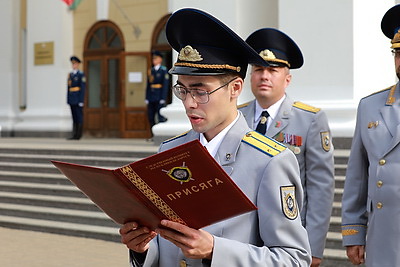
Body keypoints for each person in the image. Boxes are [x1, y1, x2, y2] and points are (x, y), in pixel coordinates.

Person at [119, 8, 311, 267]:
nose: (189, 103)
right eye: (182, 90)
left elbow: (293, 258)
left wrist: (215, 251)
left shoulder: (269, 161)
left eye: (200, 91)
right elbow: (164, 246)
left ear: (235, 88)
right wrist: (142, 249)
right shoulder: (169, 151)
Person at [239, 28, 334, 267]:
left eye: (273, 70)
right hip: (241, 238)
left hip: (288, 237)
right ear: (251, 77)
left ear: (287, 79)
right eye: (258, 70)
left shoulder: (309, 119)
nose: (264, 76)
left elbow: (320, 189)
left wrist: (313, 247)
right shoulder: (236, 116)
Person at [341, 4, 400, 266]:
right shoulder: (370, 106)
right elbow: (357, 175)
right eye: (398, 53)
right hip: (384, 234)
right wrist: (353, 230)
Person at [146, 50, 169, 131]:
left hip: (159, 96)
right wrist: (147, 97)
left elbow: (165, 85)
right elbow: (148, 85)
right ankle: (152, 135)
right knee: (151, 116)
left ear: (160, 59)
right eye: (153, 59)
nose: (154, 60)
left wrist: (163, 98)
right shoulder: (151, 71)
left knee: (160, 116)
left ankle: (160, 134)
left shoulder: (163, 70)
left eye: (156, 58)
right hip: (151, 97)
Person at [67, 56, 86, 140]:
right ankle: (74, 134)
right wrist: (68, 99)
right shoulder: (70, 75)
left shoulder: (81, 75)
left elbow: (83, 88)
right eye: (73, 64)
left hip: (78, 99)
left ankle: (79, 134)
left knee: (79, 117)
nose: (73, 65)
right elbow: (68, 88)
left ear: (78, 64)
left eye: (75, 64)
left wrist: (81, 100)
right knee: (74, 117)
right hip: (72, 99)